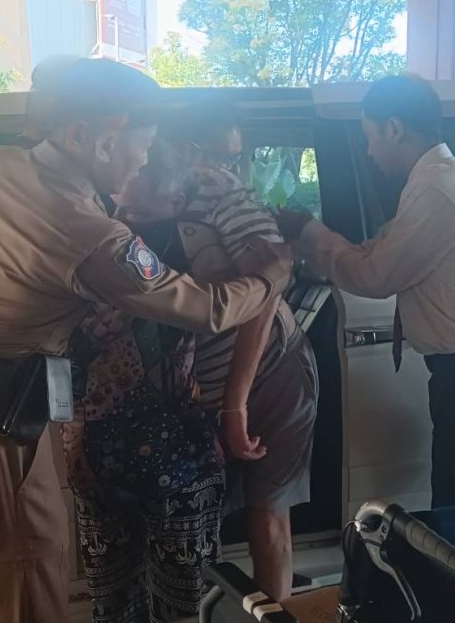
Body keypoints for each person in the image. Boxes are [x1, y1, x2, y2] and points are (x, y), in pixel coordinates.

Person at [0, 58, 292, 622]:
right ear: (90, 138)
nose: (143, 161)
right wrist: (269, 278)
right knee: (28, 593)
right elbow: (204, 309)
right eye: (140, 145)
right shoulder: (82, 226)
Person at [275, 75, 455, 509]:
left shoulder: (438, 186)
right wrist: (310, 244)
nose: (369, 152)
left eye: (370, 137)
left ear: (393, 128)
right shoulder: (430, 182)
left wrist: (309, 230)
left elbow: (376, 275)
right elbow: (375, 252)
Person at [62, 135, 228, 622]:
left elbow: (221, 302)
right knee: (115, 601)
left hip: (177, 452)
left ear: (174, 201)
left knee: (186, 601)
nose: (122, 218)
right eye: (118, 205)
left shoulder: (187, 251)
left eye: (134, 210)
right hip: (101, 454)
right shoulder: (98, 245)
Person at [164, 109, 319, 601]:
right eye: (216, 156)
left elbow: (270, 283)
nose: (226, 169)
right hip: (200, 387)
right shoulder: (145, 194)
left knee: (267, 514)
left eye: (235, 159)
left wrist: (235, 402)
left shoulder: (222, 193)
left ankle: (273, 610)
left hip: (268, 373)